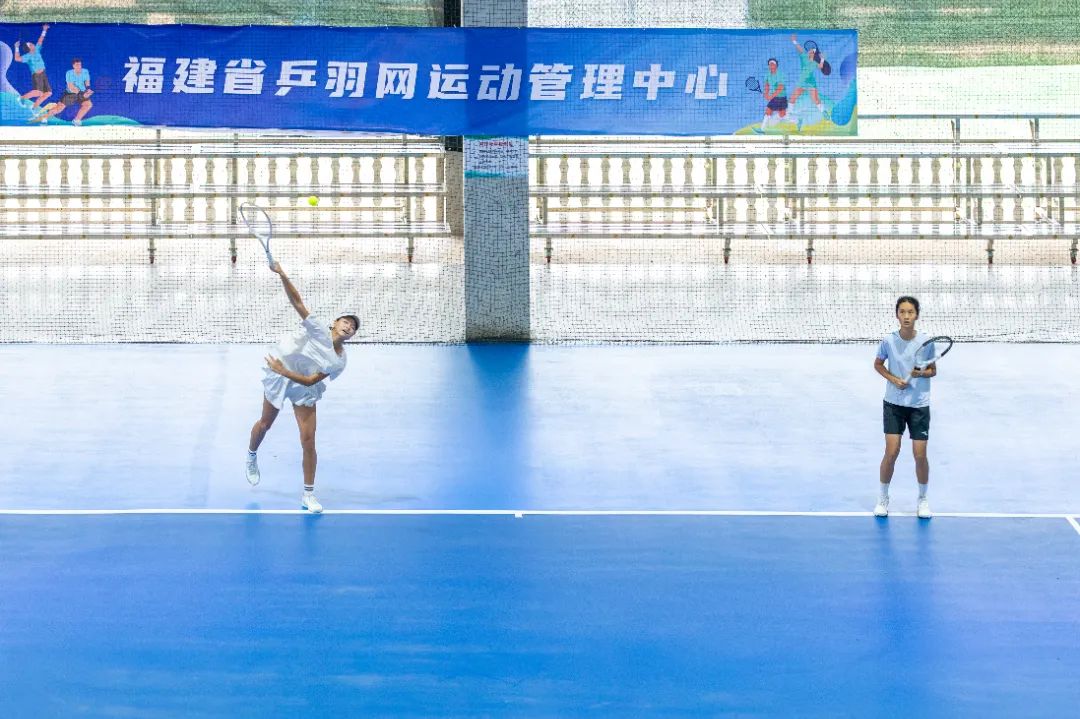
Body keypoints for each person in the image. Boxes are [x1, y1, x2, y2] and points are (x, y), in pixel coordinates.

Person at [245, 262, 359, 513]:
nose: (348, 326)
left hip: (299, 382)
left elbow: (310, 381)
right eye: (345, 322)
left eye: (352, 327)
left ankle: (308, 495)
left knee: (308, 440)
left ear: (352, 336)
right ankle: (252, 454)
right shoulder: (317, 328)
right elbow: (297, 301)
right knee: (265, 425)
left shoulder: (339, 360)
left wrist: (285, 372)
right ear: (335, 323)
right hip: (280, 371)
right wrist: (282, 273)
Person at [874, 296, 937, 519]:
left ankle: (922, 499)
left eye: (910, 312)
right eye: (902, 312)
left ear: (916, 315)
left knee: (920, 455)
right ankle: (883, 498)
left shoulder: (926, 342)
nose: (907, 316)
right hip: (894, 404)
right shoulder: (888, 341)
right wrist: (893, 379)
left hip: (919, 405)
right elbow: (878, 364)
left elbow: (933, 370)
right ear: (897, 315)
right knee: (891, 452)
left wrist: (920, 373)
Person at [33, 57, 93, 125]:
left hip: (82, 92)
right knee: (59, 108)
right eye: (77, 65)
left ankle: (76, 120)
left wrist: (88, 89)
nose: (79, 66)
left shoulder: (85, 71)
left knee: (88, 104)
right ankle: (44, 117)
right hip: (70, 93)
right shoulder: (69, 73)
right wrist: (83, 95)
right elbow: (71, 87)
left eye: (80, 65)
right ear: (73, 66)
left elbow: (87, 82)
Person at [13, 25, 51, 109]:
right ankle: (22, 98)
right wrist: (16, 47)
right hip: (37, 76)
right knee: (38, 92)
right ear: (29, 48)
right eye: (30, 44)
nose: (32, 44)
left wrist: (44, 30)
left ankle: (34, 107)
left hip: (43, 74)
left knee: (48, 93)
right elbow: (17, 58)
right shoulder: (28, 56)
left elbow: (40, 40)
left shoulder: (37, 49)